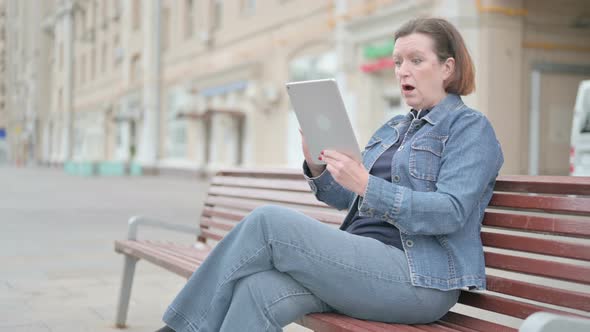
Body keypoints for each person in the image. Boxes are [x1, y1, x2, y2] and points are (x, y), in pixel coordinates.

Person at [156, 17, 503, 332]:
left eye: (416, 60)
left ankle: (179, 329)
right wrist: (319, 166)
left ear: (447, 68)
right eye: (397, 62)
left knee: (268, 223)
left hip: (420, 278)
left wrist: (368, 185)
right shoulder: (393, 129)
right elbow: (347, 198)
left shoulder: (470, 128)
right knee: (256, 289)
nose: (402, 71)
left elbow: (451, 212)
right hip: (361, 264)